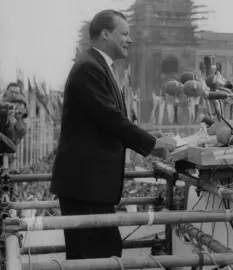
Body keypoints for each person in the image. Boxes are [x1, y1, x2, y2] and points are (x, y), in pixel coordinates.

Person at [50, 9, 177, 260]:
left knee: (99, 256)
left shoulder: (97, 66)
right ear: (106, 34)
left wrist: (150, 135)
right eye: (125, 33)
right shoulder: (89, 68)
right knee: (99, 258)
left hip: (90, 188)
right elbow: (111, 119)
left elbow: (109, 120)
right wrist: (153, 144)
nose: (130, 40)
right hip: (85, 188)